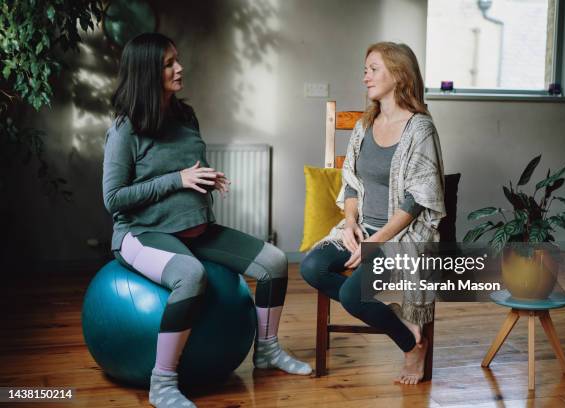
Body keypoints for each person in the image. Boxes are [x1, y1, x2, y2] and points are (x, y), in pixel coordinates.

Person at [103, 33, 311, 408]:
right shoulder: (125, 128)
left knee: (275, 262)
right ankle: (162, 383)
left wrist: (204, 180)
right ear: (147, 71)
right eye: (169, 63)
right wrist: (178, 180)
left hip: (195, 228)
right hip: (141, 232)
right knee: (190, 275)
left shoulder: (185, 115)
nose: (179, 68)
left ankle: (266, 351)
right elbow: (114, 198)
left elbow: (186, 169)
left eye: (176, 60)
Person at [300, 42, 445, 385]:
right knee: (311, 267)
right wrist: (350, 224)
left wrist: (378, 241)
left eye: (373, 69)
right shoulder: (365, 125)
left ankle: (412, 344)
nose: (365, 76)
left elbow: (417, 200)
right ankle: (392, 317)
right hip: (362, 228)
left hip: (402, 237)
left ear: (398, 74)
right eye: (365, 69)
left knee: (352, 295)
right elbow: (350, 184)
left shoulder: (420, 129)